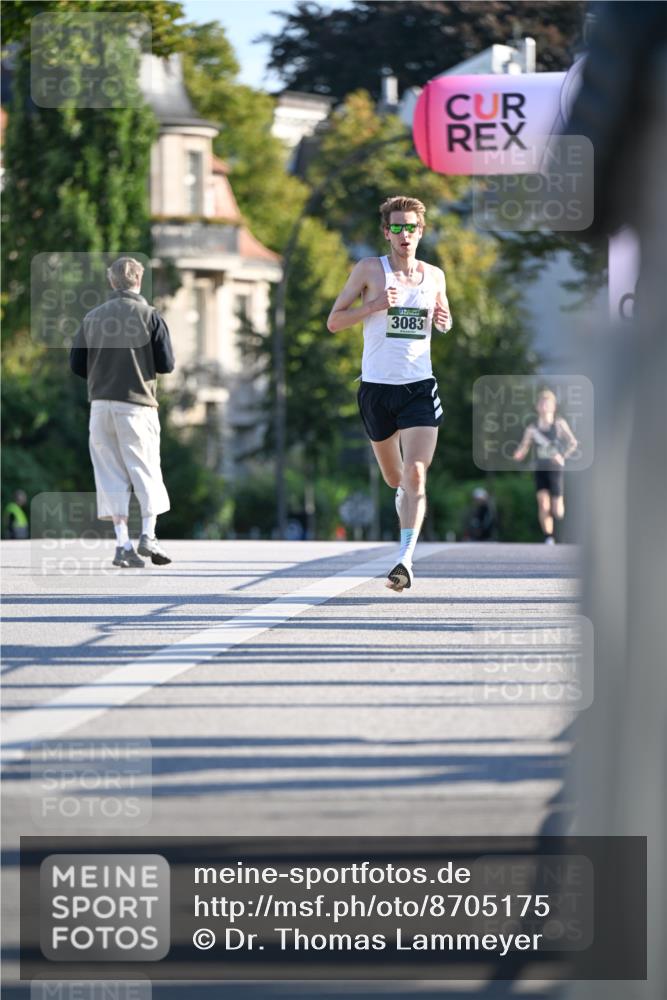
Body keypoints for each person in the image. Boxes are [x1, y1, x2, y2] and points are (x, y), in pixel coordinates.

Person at [327, 195, 452, 590]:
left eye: (410, 227)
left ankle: (404, 560)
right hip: (376, 390)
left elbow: (443, 317)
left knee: (416, 473)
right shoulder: (368, 270)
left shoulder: (434, 276)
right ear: (386, 232)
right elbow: (334, 321)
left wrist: (444, 320)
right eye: (396, 227)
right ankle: (403, 500)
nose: (404, 234)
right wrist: (374, 306)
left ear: (421, 231)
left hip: (419, 386)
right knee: (395, 477)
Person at [70, 257, 175, 568]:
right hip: (138, 405)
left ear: (111, 282)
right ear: (139, 281)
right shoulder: (150, 316)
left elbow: (77, 365)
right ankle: (148, 534)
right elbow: (166, 364)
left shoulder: (92, 317)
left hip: (100, 405)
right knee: (145, 469)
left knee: (110, 475)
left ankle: (122, 545)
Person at [512, 388, 578, 543]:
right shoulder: (532, 429)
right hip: (540, 469)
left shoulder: (560, 424)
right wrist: (518, 454)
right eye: (541, 403)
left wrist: (562, 456)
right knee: (543, 504)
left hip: (555, 469)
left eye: (547, 403)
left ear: (553, 406)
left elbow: (573, 443)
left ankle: (566, 529)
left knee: (557, 510)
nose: (543, 406)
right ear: (537, 407)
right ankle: (549, 537)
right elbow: (524, 447)